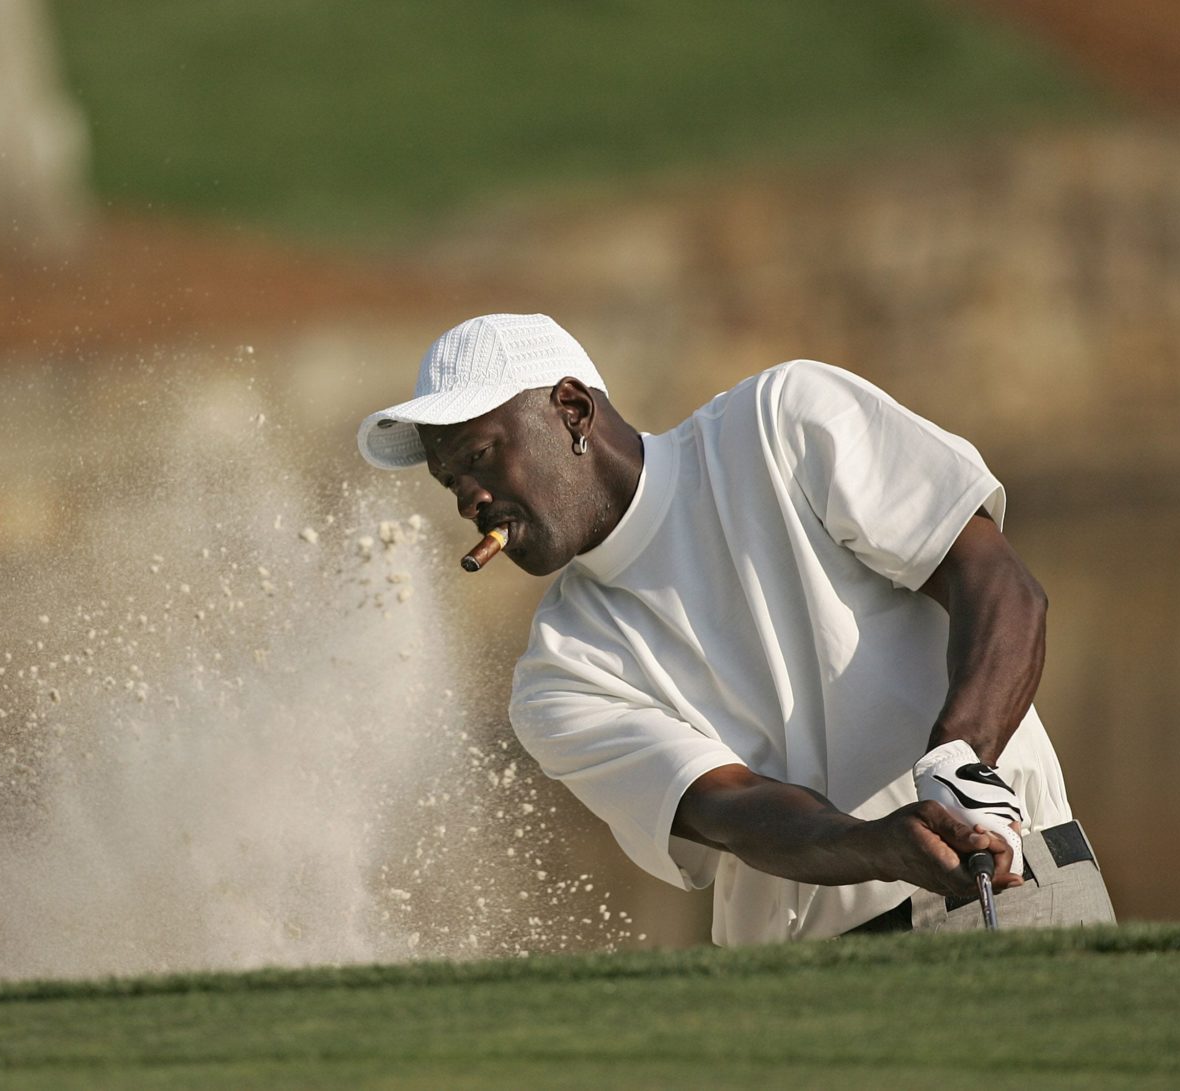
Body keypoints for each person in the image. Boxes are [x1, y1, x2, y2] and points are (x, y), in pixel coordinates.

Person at [358, 313, 1115, 942]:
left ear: (572, 410)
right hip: (813, 979)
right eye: (451, 480)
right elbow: (730, 808)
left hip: (1019, 883)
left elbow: (998, 583)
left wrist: (963, 756)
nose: (469, 498)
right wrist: (878, 844)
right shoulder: (557, 672)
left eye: (481, 456)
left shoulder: (783, 419)